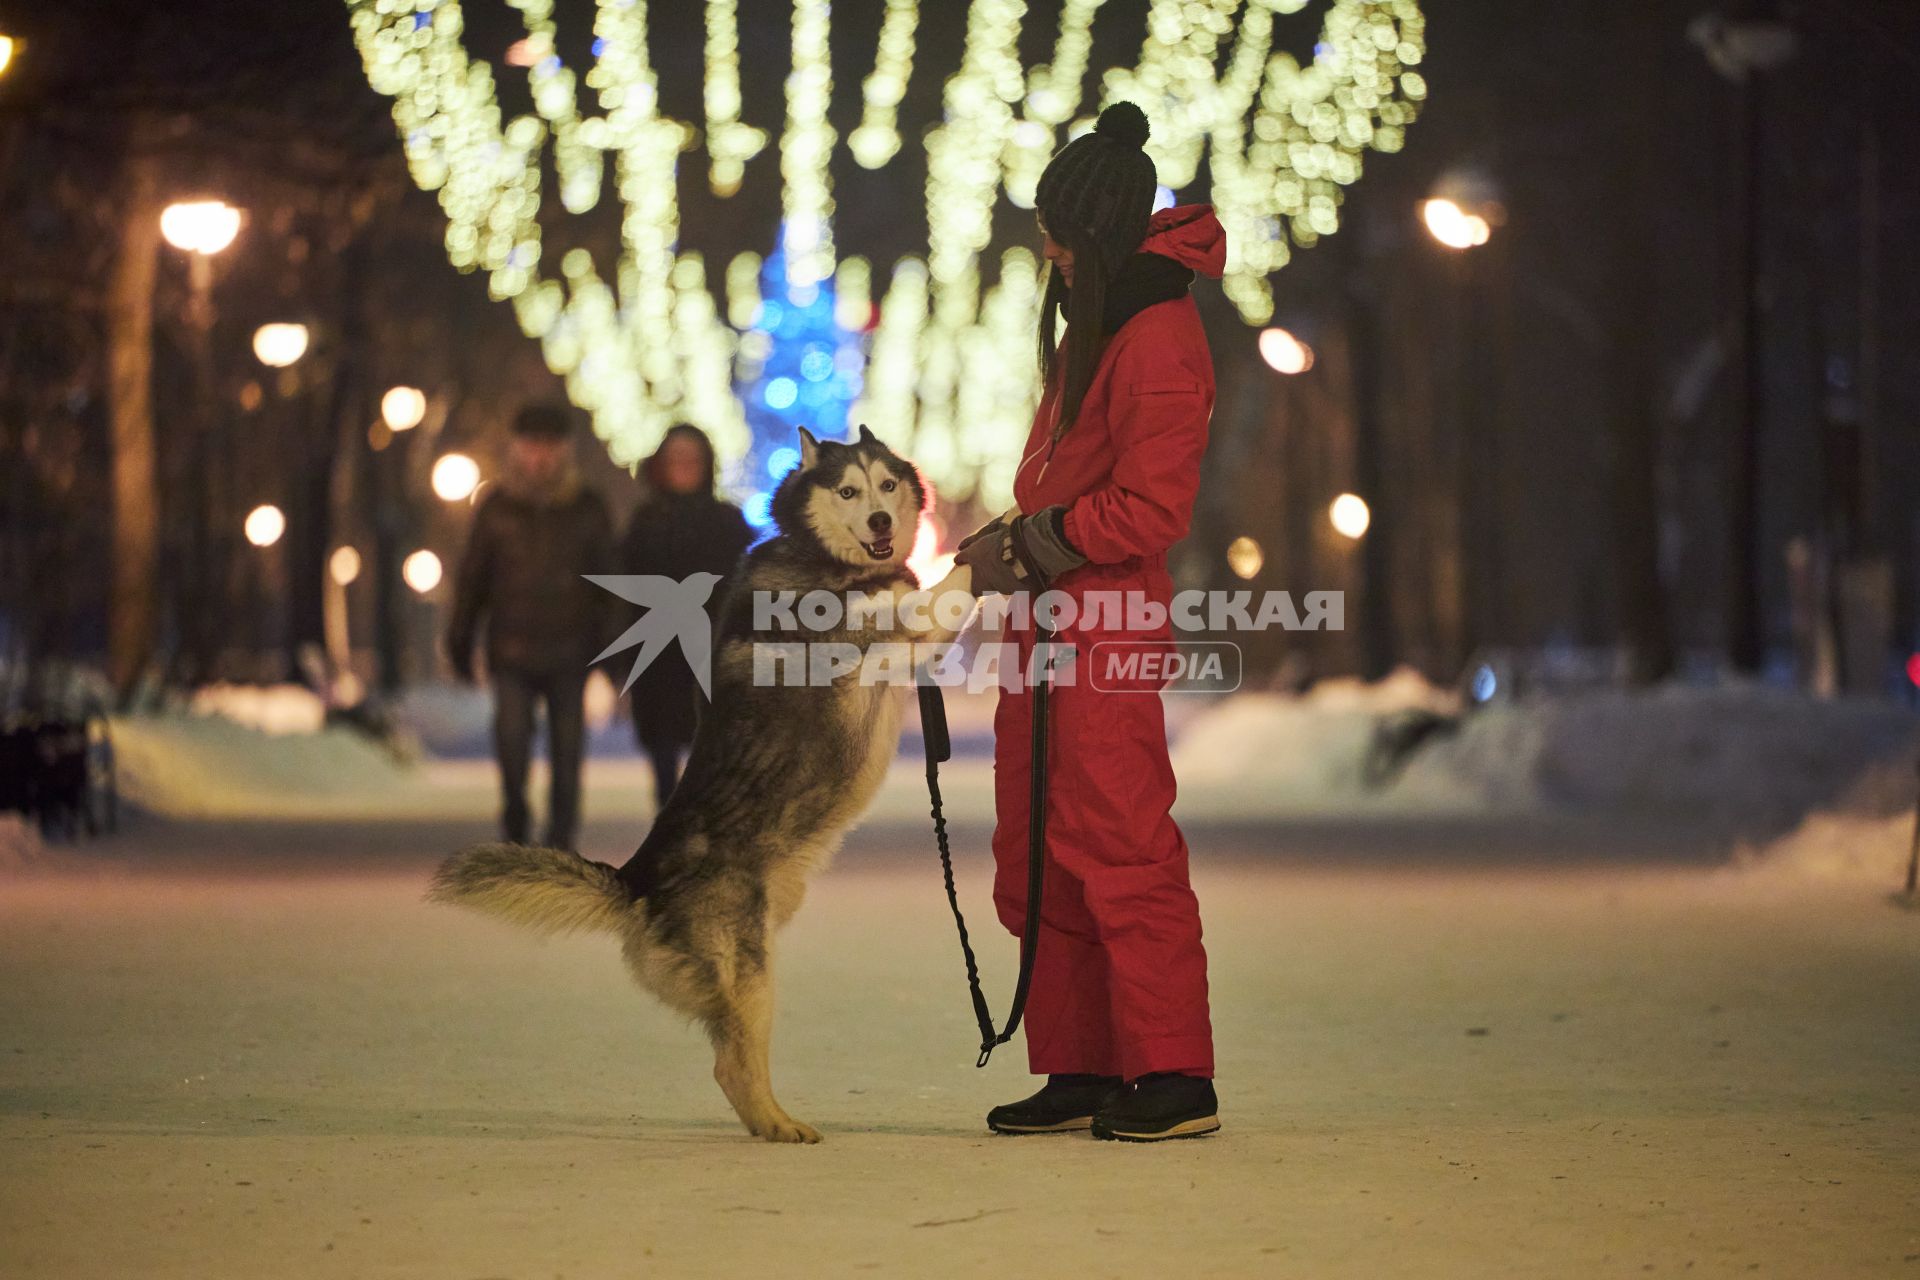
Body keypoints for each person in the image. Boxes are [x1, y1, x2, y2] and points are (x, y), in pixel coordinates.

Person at [954, 102, 1225, 1142]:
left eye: (1061, 238)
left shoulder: (1154, 334)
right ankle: (1084, 1059)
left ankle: (1171, 1069)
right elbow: (1070, 481)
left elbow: (1152, 506)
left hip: (1101, 629)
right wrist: (1017, 543)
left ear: (1103, 231)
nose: (1051, 256)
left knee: (1119, 842)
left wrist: (1035, 542)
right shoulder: (1104, 320)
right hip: (1053, 626)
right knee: (1041, 848)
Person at [446, 404, 613, 853]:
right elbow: (473, 580)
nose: (541, 457)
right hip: (512, 650)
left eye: (550, 446)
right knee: (512, 741)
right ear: (518, 450)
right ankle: (515, 819)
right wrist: (460, 639)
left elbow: (610, 584)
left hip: (570, 649)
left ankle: (562, 834)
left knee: (567, 748)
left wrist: (614, 647)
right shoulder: (497, 508)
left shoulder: (587, 508)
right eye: (532, 445)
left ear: (564, 451)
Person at [617, 424, 753, 806]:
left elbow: (747, 593)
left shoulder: (728, 522)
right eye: (675, 459)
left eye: (692, 459)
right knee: (663, 766)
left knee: (711, 765)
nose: (684, 467)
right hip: (658, 660)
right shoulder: (644, 523)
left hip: (712, 658)